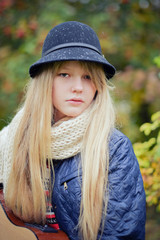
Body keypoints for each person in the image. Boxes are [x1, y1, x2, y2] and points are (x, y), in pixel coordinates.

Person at [0, 21, 146, 240]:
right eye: (65, 74)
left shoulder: (114, 148)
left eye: (88, 77)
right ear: (46, 82)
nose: (78, 87)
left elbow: (121, 234)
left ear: (98, 85)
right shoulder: (11, 139)